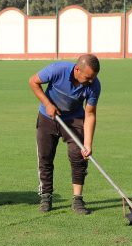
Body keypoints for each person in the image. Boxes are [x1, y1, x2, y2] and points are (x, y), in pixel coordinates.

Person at [28, 53, 101, 214]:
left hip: (75, 118)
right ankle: (46, 196)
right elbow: (33, 81)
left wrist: (88, 144)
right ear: (77, 69)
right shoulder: (57, 70)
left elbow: (90, 114)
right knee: (45, 157)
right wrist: (47, 104)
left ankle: (77, 199)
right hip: (48, 117)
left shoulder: (94, 85)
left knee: (78, 156)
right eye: (88, 77)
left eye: (93, 78)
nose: (91, 81)